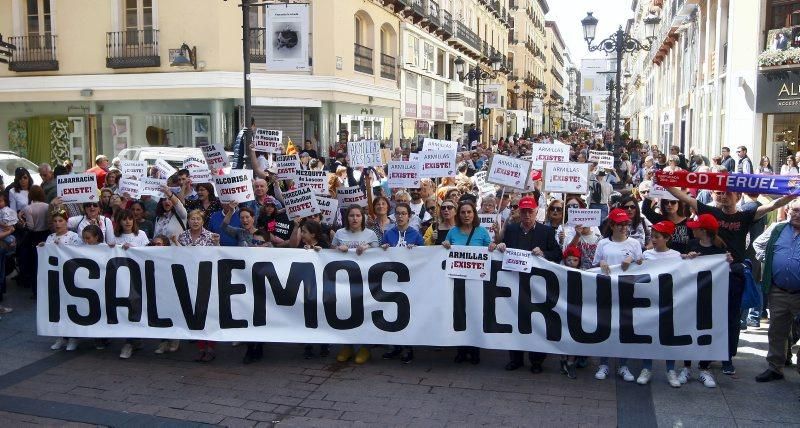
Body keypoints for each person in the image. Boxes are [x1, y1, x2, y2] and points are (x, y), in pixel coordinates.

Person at [666, 185, 797, 375]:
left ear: (738, 196)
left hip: (733, 274)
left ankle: (728, 357)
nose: (724, 196)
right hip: (710, 276)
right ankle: (707, 354)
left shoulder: (746, 216)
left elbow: (773, 205)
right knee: (707, 316)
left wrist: (794, 191)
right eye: (720, 193)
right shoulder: (710, 212)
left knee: (732, 318)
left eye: (728, 193)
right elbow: (684, 198)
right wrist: (665, 182)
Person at [491, 196, 561, 373]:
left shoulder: (546, 232)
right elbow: (502, 247)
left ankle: (536, 361)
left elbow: (557, 254)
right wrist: (501, 246)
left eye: (530, 211)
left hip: (537, 286)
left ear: (537, 211)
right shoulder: (512, 229)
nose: (527, 214)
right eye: (524, 211)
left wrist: (543, 253)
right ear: (519, 212)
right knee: (514, 321)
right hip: (514, 285)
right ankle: (516, 359)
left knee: (536, 322)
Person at [593, 208, 643, 382]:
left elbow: (642, 265)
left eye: (626, 224)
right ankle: (604, 363)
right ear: (612, 225)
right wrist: (602, 261)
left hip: (627, 292)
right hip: (607, 291)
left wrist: (633, 260)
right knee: (606, 326)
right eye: (620, 224)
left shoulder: (635, 244)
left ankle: (623, 364)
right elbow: (595, 264)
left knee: (625, 328)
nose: (623, 228)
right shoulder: (603, 244)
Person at [753, 198, 800, 383]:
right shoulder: (778, 228)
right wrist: (769, 260)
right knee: (777, 331)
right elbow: (757, 245)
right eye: (794, 210)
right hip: (778, 291)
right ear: (788, 211)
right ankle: (775, 368)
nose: (797, 214)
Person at [681, 213, 729, 388]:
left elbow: (726, 268)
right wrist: (686, 257)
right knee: (688, 327)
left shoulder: (720, 248)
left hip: (711, 296)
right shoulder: (692, 244)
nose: (693, 230)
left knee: (707, 329)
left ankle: (703, 367)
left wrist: (727, 262)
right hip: (691, 294)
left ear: (704, 231)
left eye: (696, 228)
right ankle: (686, 367)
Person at [442, 200, 493, 365]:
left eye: (469, 212)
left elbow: (491, 251)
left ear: (474, 214)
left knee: (475, 314)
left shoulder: (482, 232)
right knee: (458, 314)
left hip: (476, 282)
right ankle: (461, 350)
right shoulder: (453, 232)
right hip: (456, 282)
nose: (466, 215)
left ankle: (474, 350)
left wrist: (493, 246)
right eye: (463, 212)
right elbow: (444, 252)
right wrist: (444, 245)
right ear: (459, 215)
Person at [332, 205, 380, 364]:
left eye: (358, 215)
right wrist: (339, 248)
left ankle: (365, 347)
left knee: (364, 313)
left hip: (365, 282)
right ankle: (347, 346)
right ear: (347, 218)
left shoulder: (371, 234)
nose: (354, 218)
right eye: (351, 215)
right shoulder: (339, 233)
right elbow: (330, 252)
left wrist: (367, 247)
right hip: (344, 282)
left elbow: (379, 253)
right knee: (345, 312)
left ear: (363, 217)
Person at [380, 202, 425, 364]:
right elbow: (380, 254)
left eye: (403, 213)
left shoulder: (415, 234)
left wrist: (417, 250)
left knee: (407, 314)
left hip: (410, 281)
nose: (400, 216)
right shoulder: (388, 233)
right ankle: (395, 346)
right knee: (392, 312)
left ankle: (408, 348)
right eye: (397, 213)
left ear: (409, 216)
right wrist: (383, 248)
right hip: (392, 280)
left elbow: (426, 256)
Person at [640, 221, 683, 387]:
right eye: (653, 236)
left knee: (668, 336)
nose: (654, 239)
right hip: (650, 301)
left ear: (667, 238)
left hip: (668, 301)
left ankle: (671, 369)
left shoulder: (677, 255)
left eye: (657, 236)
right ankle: (646, 368)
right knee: (648, 336)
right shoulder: (646, 255)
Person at [176, 209, 220, 361]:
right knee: (196, 313)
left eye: (198, 219)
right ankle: (201, 347)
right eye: (192, 219)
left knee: (208, 313)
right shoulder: (183, 236)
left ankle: (211, 347)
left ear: (202, 221)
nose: (195, 221)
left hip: (207, 278)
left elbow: (218, 255)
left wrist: (217, 244)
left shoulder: (210, 236)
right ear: (188, 220)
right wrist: (175, 243)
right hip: (189, 278)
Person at [43, 209, 85, 352]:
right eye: (55, 221)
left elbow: (79, 254)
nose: (57, 224)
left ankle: (73, 338)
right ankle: (60, 336)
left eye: (60, 221)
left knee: (71, 306)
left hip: (70, 275)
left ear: (66, 222)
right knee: (58, 307)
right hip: (56, 276)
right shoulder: (50, 237)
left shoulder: (74, 237)